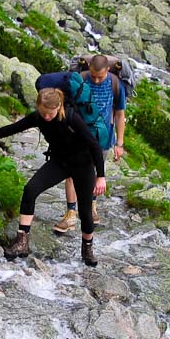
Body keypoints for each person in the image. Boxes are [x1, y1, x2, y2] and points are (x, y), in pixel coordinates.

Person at [0, 88, 106, 266]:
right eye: (43, 112)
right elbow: (13, 128)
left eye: (50, 113)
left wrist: (100, 176)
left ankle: (87, 248)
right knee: (30, 189)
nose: (47, 117)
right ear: (39, 107)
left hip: (83, 165)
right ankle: (22, 242)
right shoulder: (38, 117)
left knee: (85, 212)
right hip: (59, 163)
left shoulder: (71, 118)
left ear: (59, 106)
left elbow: (94, 145)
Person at [53, 54, 126, 234]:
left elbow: (119, 114)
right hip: (77, 135)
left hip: (103, 137)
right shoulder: (81, 79)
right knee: (71, 173)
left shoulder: (116, 84)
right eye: (92, 75)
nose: (95, 79)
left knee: (94, 173)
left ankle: (91, 207)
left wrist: (120, 143)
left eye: (99, 76)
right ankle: (70, 212)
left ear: (107, 70)